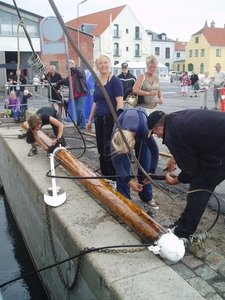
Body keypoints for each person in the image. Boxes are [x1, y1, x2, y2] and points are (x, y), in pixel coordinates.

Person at [147, 109, 225, 239]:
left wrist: (174, 180)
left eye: (155, 133)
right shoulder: (175, 118)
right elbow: (192, 140)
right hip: (217, 142)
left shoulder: (173, 133)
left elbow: (191, 171)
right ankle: (183, 227)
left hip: (220, 149)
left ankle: (182, 234)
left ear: (160, 128)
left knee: (199, 188)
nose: (158, 137)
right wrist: (175, 156)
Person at [111, 108, 159, 209]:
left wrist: (151, 172)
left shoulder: (145, 131)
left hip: (140, 123)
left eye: (129, 151)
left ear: (133, 140)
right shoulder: (116, 136)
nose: (129, 153)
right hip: (125, 122)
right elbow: (116, 162)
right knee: (123, 163)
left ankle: (146, 196)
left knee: (145, 163)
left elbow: (155, 151)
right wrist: (129, 181)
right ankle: (124, 198)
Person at [86, 54, 123, 179]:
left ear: (109, 64)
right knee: (101, 149)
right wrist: (90, 120)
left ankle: (112, 177)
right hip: (99, 119)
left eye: (105, 62)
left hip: (109, 119)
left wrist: (118, 122)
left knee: (108, 149)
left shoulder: (114, 81)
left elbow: (119, 102)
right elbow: (95, 102)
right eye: (100, 63)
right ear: (97, 66)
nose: (103, 65)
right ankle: (104, 175)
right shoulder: (97, 82)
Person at [56, 60, 88, 129]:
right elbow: (66, 81)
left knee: (80, 109)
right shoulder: (71, 74)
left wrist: (72, 67)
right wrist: (58, 82)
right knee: (77, 110)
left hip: (81, 93)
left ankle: (83, 124)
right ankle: (79, 123)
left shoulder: (80, 69)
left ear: (74, 64)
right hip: (75, 94)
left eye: (69, 64)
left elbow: (80, 73)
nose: (69, 66)